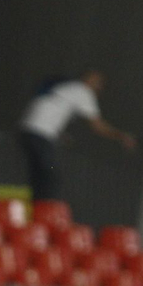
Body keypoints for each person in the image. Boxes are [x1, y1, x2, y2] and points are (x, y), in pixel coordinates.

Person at [17, 70, 135, 204]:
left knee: (39, 172)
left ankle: (37, 206)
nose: (98, 87)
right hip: (40, 134)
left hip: (27, 131)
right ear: (91, 81)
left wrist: (59, 134)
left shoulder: (68, 88)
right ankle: (45, 209)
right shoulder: (83, 92)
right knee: (51, 174)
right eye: (98, 83)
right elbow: (98, 126)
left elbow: (50, 109)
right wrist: (122, 136)